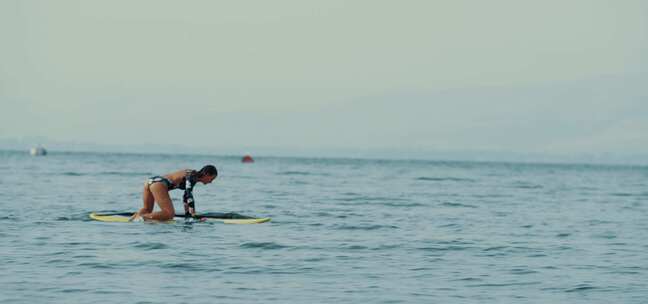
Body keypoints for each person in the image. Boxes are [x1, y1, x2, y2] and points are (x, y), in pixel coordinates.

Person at [131, 165, 218, 221]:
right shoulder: (193, 176)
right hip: (159, 183)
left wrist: (188, 215)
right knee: (169, 213)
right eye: (212, 178)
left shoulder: (192, 176)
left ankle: (133, 219)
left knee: (147, 209)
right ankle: (142, 218)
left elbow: (185, 197)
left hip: (150, 181)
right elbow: (188, 195)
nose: (211, 182)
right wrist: (193, 214)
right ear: (206, 174)